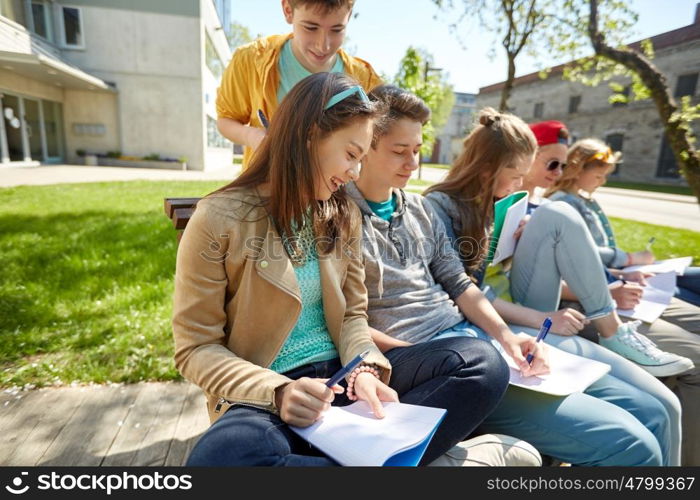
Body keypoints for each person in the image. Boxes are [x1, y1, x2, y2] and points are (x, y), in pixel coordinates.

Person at [172, 72, 512, 466]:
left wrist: (364, 368)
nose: (354, 172)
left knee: (481, 362)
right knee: (221, 459)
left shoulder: (340, 213)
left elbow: (352, 315)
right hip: (268, 394)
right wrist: (278, 391)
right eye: (351, 154)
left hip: (346, 378)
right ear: (309, 135)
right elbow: (196, 348)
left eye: (361, 158)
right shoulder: (218, 218)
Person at [350, 85, 672, 466]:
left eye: (417, 151)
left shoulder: (418, 208)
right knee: (635, 445)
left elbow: (460, 284)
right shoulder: (337, 216)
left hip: (478, 342)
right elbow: (343, 316)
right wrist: (444, 357)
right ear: (365, 144)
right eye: (399, 151)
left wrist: (506, 338)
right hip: (443, 366)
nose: (412, 163)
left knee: (653, 413)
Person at [544, 136, 700, 465]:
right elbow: (572, 266)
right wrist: (621, 269)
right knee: (686, 366)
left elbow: (587, 262)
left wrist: (618, 273)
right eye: (552, 164)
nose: (556, 173)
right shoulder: (556, 205)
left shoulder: (576, 202)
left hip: (608, 291)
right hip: (591, 304)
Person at [216, 0, 381, 169]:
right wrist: (251, 136)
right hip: (267, 188)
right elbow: (226, 120)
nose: (323, 45)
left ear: (349, 16)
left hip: (336, 192)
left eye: (337, 30)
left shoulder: (365, 78)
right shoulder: (251, 59)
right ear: (288, 10)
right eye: (311, 27)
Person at [545, 137, 700, 307]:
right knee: (684, 295)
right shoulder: (564, 203)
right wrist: (629, 259)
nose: (603, 181)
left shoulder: (583, 199)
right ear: (577, 170)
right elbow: (579, 251)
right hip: (607, 276)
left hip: (617, 271)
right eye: (598, 176)